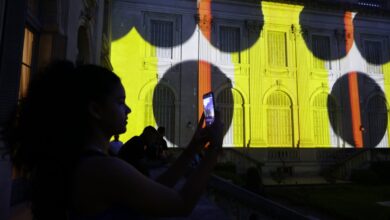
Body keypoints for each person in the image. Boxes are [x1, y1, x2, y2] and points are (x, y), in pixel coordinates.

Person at [11, 62, 224, 220]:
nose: (128, 109)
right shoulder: (103, 168)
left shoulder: (87, 162)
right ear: (95, 110)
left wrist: (193, 149)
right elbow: (180, 205)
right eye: (120, 102)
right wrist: (214, 149)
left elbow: (155, 187)